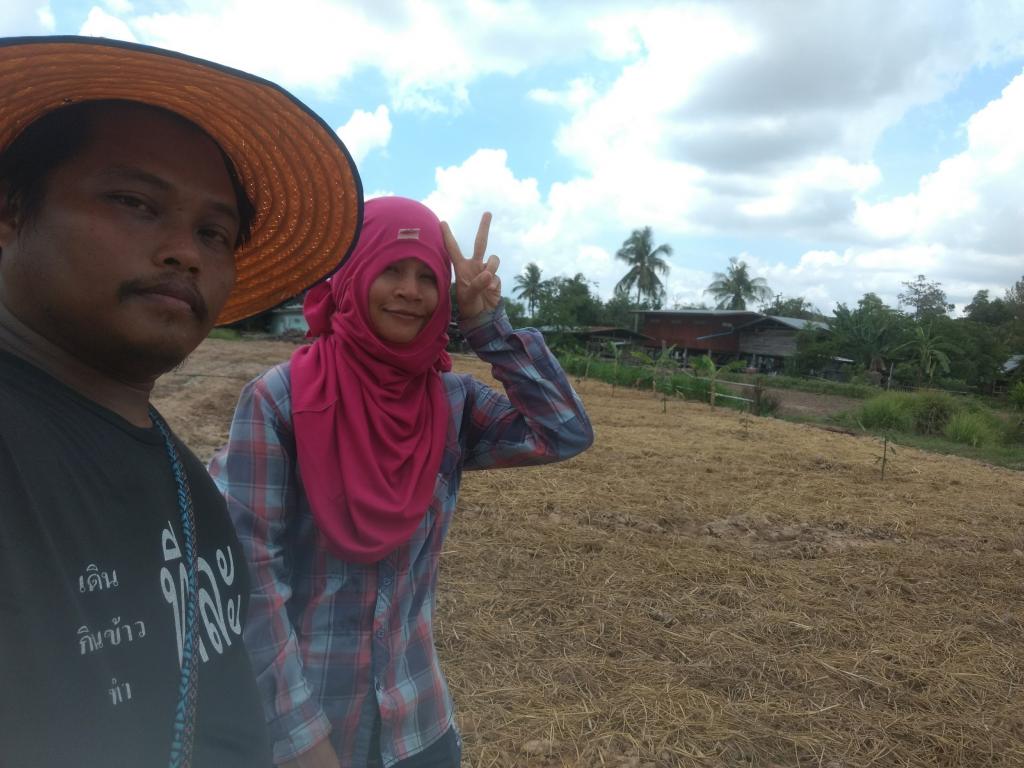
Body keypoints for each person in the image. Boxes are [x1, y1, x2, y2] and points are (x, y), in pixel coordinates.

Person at [0, 36, 362, 767]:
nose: (184, 252)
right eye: (134, 202)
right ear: (10, 215)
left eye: (213, 232)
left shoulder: (185, 476)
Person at [210, 196, 594, 767]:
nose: (411, 292)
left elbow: (563, 432)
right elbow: (251, 576)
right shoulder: (281, 400)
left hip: (419, 724)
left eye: (427, 277)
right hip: (307, 726)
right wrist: (300, 738)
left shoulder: (452, 404)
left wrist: (486, 327)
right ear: (355, 273)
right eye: (391, 269)